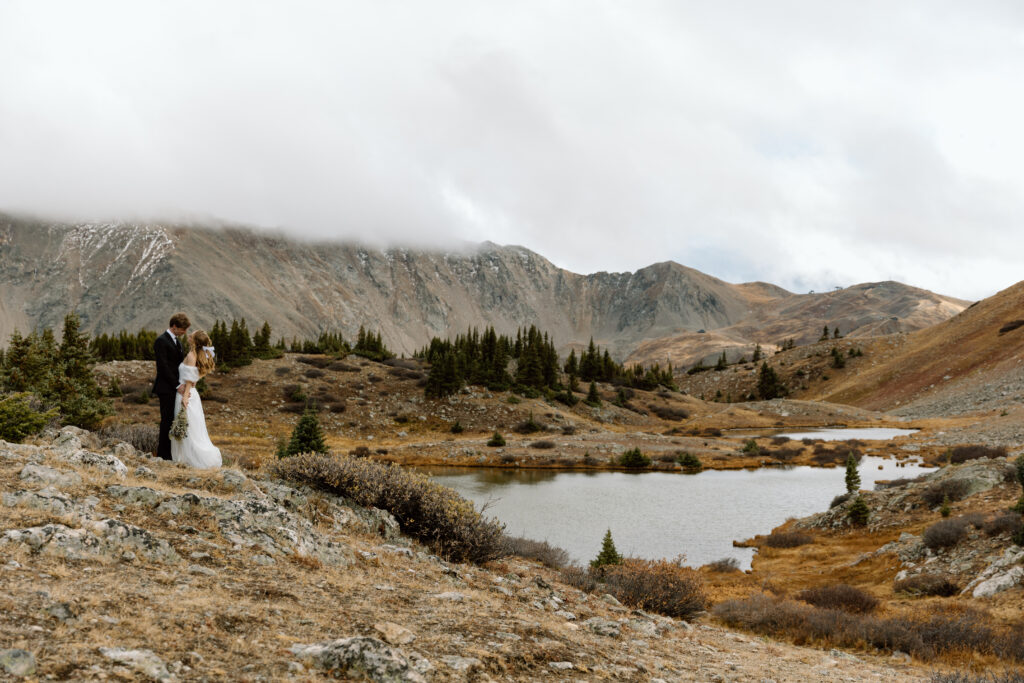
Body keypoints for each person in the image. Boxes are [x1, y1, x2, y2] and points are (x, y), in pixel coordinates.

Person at [170, 329, 222, 468]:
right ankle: (185, 458)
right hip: (191, 394)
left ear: (195, 341)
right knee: (191, 427)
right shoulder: (197, 355)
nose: (188, 335)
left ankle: (190, 459)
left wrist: (185, 397)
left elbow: (189, 379)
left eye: (191, 335)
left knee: (188, 427)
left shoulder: (192, 356)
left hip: (186, 394)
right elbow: (195, 376)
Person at [152, 313, 190, 460]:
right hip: (166, 388)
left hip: (176, 387)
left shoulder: (177, 342)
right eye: (182, 329)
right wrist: (177, 385)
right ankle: (163, 455)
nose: (184, 332)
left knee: (173, 420)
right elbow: (163, 367)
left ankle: (172, 454)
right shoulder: (161, 341)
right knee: (166, 421)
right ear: (174, 326)